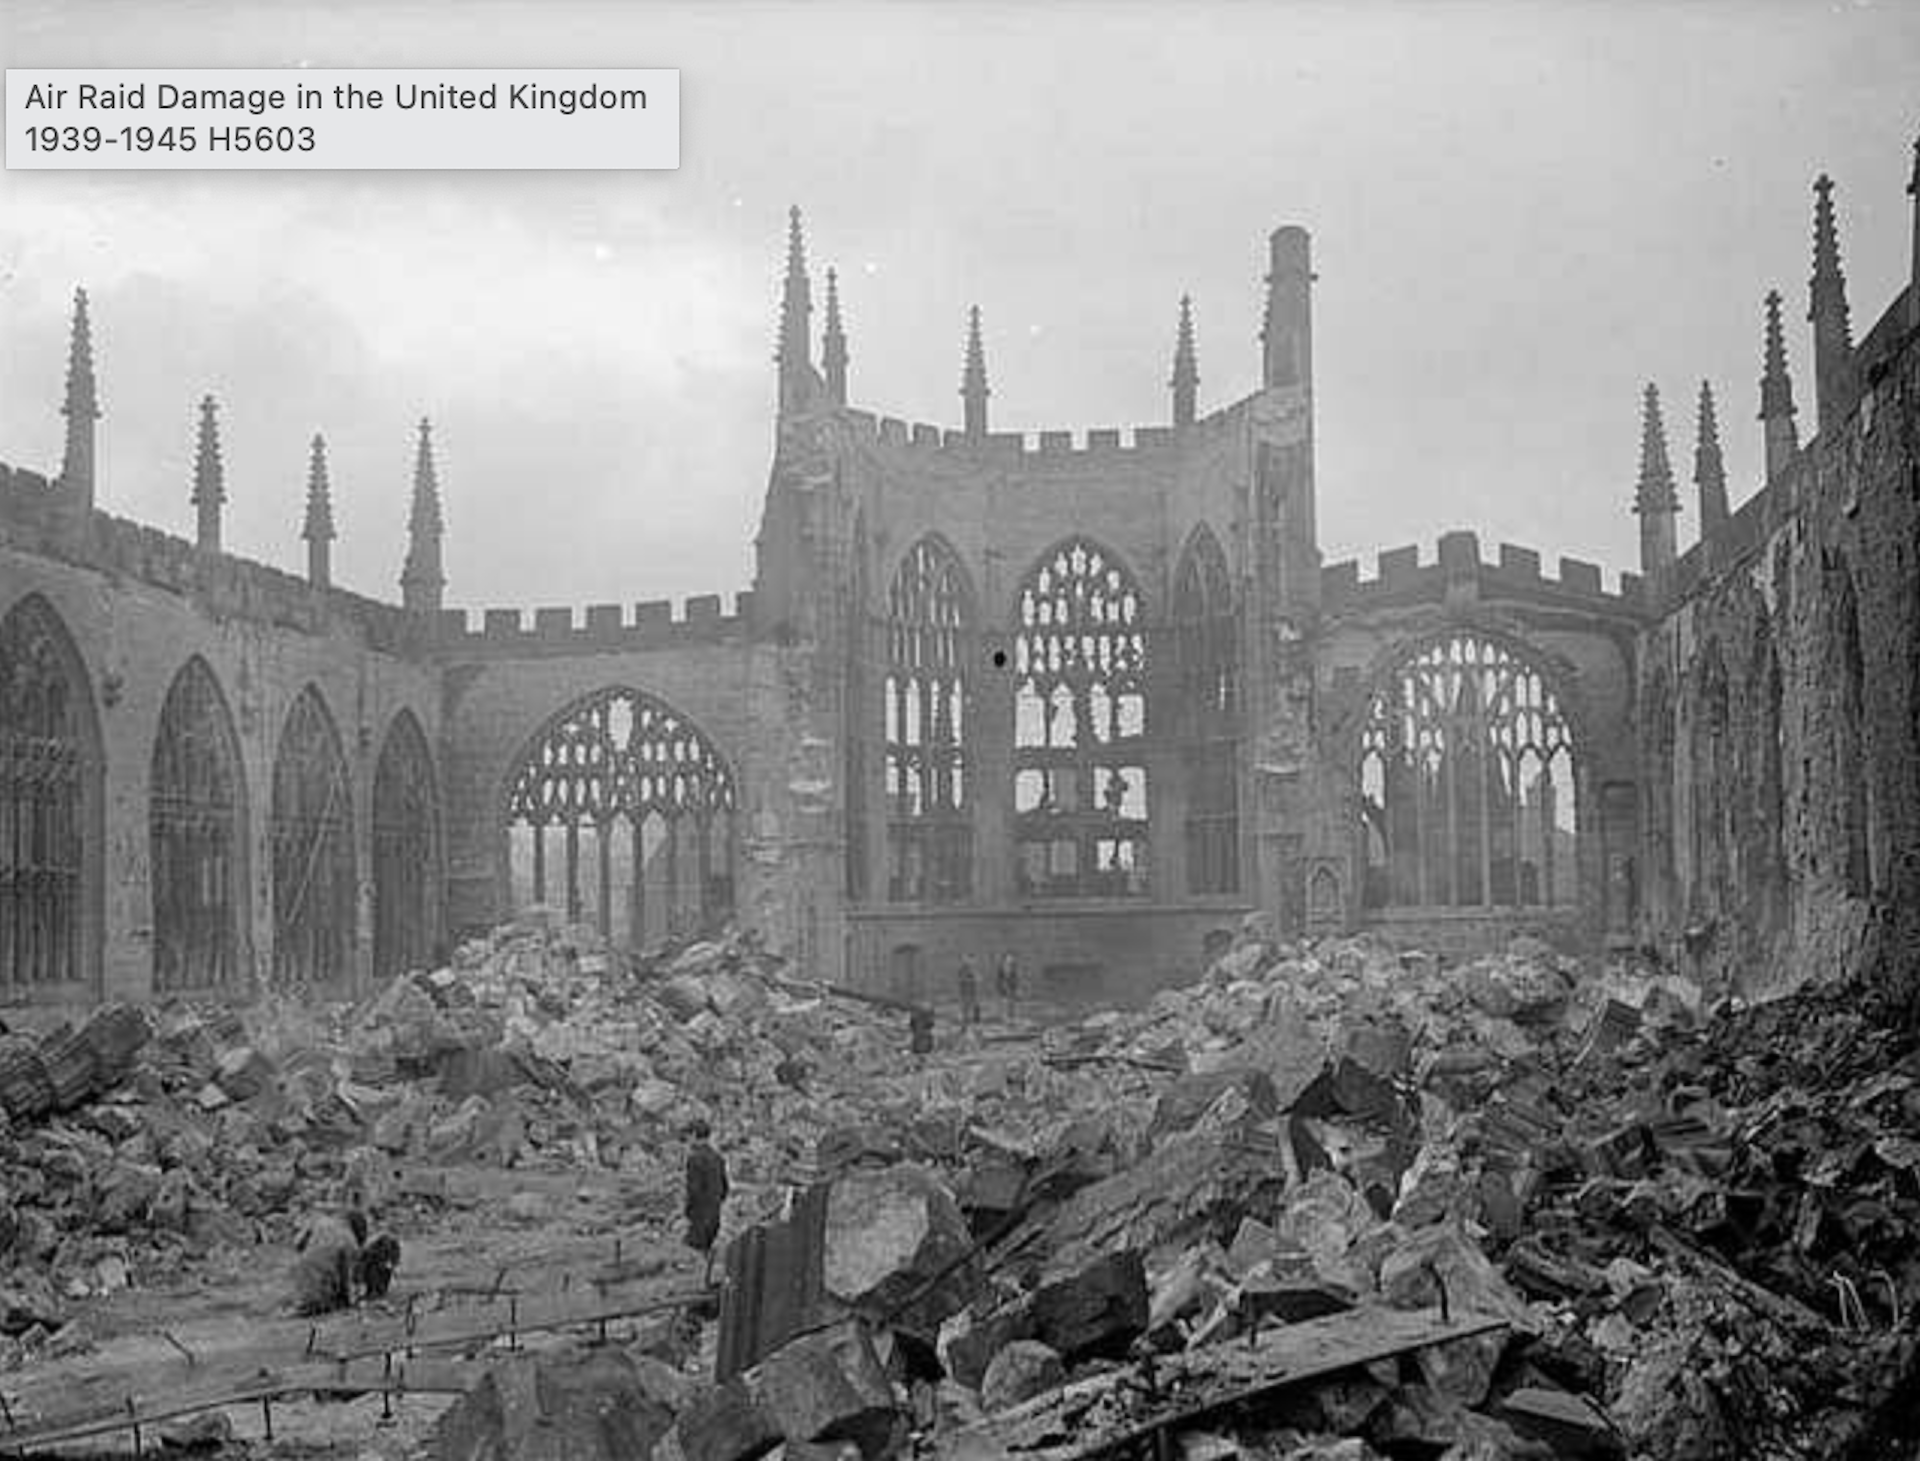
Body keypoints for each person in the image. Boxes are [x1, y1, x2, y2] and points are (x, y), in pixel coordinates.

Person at [290, 1208, 365, 1316]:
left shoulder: (320, 1222)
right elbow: (347, 1281)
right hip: (322, 1298)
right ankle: (317, 1302)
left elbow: (297, 1244)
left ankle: (304, 1301)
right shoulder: (350, 1241)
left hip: (299, 1293)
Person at [683, 1120, 729, 1285]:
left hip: (699, 1217)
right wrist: (715, 1204)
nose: (687, 1140)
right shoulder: (718, 1158)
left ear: (695, 1135)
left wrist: (687, 1212)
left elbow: (693, 1191)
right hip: (715, 1217)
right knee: (705, 1255)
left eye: (688, 1135)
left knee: (692, 1258)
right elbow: (725, 1188)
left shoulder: (694, 1159)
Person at [956, 957, 981, 1028]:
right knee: (965, 1009)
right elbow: (961, 980)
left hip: (972, 994)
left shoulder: (974, 972)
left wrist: (973, 978)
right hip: (965, 995)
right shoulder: (962, 971)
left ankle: (975, 1023)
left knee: (975, 1008)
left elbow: (978, 979)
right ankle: (965, 1024)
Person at [995, 952, 1019, 1022]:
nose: (1010, 961)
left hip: (1011, 989)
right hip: (1003, 990)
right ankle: (1004, 1017)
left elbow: (1015, 980)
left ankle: (1011, 1017)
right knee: (1004, 1003)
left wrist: (1014, 988)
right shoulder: (1001, 970)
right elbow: (999, 980)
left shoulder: (1013, 970)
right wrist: (1003, 987)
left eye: (1011, 960)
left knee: (1011, 1004)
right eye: (1009, 960)